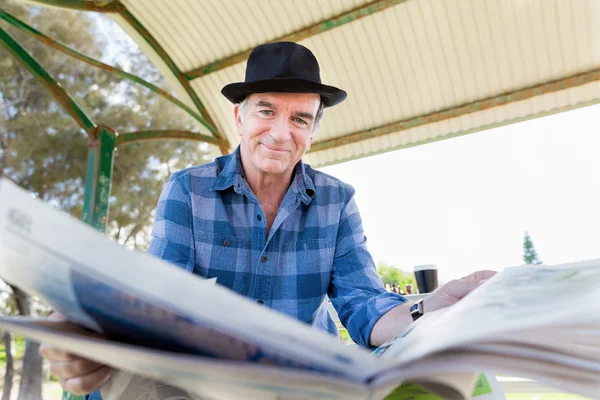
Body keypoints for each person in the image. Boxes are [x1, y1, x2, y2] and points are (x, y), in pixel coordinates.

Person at [40, 42, 495, 398]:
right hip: (207, 382)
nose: (281, 133)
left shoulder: (337, 201)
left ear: (313, 131)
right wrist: (100, 333)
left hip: (304, 384)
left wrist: (426, 309)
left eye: (300, 118)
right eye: (266, 111)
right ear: (239, 116)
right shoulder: (187, 190)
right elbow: (161, 301)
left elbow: (362, 305)